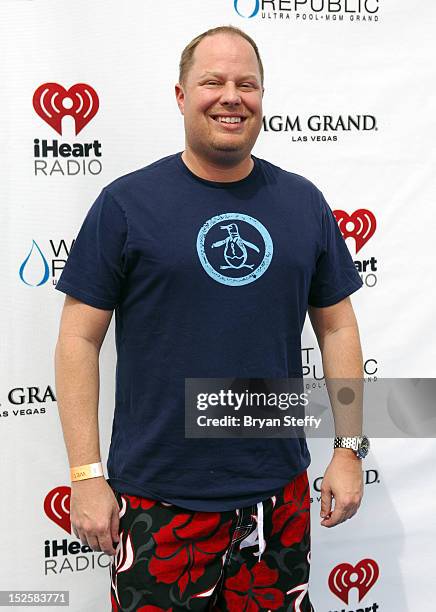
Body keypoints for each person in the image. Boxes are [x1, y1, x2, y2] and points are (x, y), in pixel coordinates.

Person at [54, 25, 368, 612]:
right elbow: (77, 339)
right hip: (156, 503)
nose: (231, 96)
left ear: (262, 98)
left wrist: (348, 448)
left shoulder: (303, 203)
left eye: (247, 84)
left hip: (278, 502)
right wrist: (84, 475)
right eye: (213, 82)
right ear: (180, 95)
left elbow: (338, 326)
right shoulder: (126, 204)